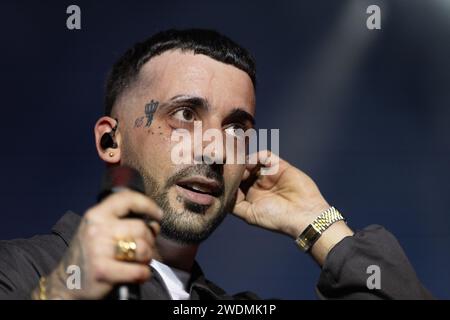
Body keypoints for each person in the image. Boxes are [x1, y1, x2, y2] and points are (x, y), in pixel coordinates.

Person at [0, 29, 432, 300]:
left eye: (237, 128)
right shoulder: (17, 270)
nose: (215, 150)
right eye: (185, 114)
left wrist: (316, 223)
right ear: (111, 140)